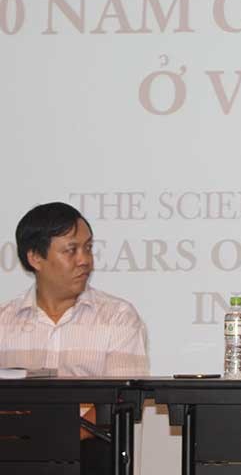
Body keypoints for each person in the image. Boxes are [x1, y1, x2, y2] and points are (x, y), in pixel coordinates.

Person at [0, 202, 149, 473]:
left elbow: (122, 400)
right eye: (71, 250)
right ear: (35, 258)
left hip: (89, 453)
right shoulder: (4, 321)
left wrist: (55, 439)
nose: (85, 260)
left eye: (88, 248)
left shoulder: (117, 317)